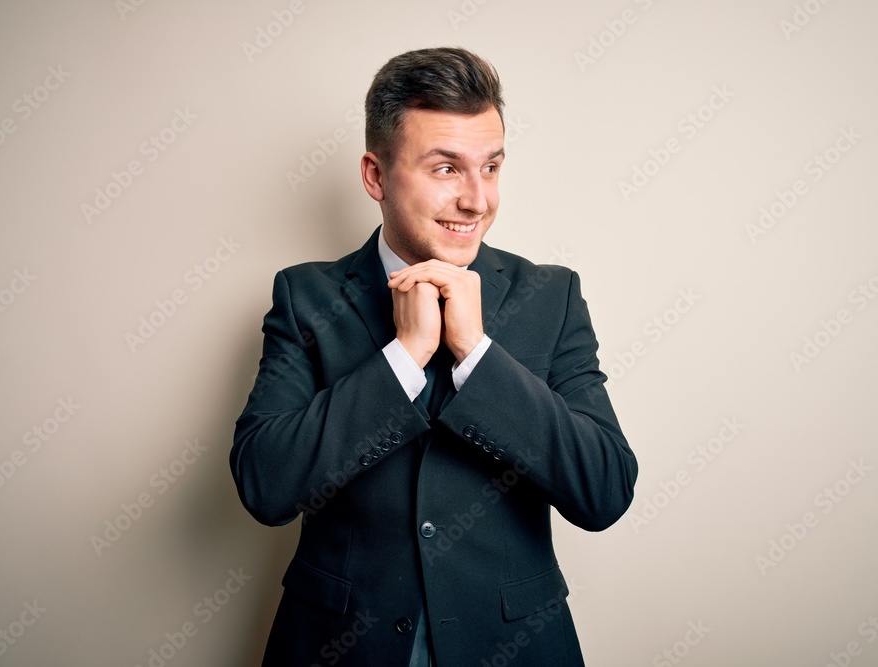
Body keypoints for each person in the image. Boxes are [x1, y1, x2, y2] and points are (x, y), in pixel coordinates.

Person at [231, 46, 638, 666]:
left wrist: (477, 354)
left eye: (491, 167)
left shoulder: (552, 296)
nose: (477, 200)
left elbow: (604, 490)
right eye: (447, 169)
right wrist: (404, 355)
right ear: (375, 176)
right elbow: (265, 484)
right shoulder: (306, 297)